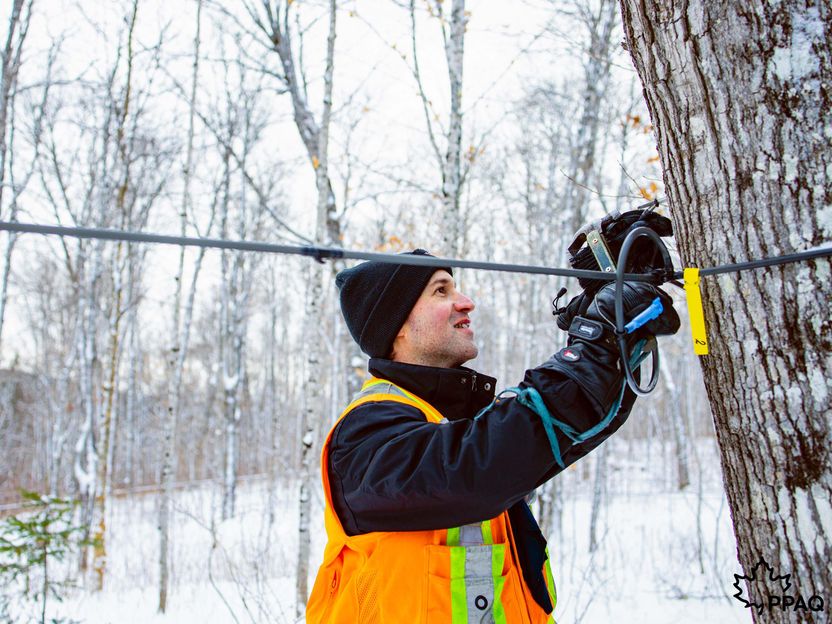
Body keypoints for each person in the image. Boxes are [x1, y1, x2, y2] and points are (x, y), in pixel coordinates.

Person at [306, 249, 679, 623]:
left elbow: (551, 436)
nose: (466, 303)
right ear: (397, 324)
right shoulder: (364, 436)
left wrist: (606, 341)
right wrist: (591, 348)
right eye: (441, 291)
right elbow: (478, 468)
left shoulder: (451, 420)